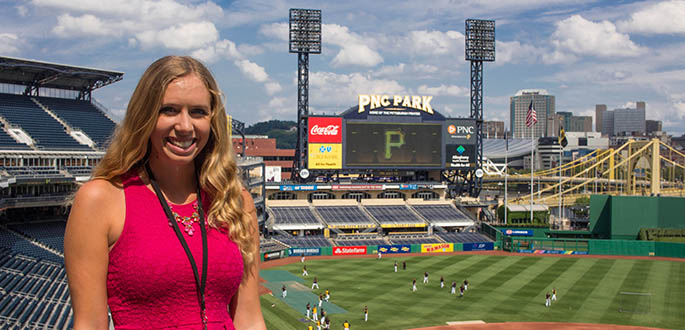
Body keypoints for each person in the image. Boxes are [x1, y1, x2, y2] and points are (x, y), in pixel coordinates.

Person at [64, 56, 266, 330]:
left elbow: (250, 319)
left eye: (198, 112)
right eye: (169, 110)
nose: (185, 126)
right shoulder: (101, 199)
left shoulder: (234, 201)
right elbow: (89, 324)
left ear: (212, 120)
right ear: (144, 116)